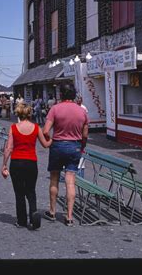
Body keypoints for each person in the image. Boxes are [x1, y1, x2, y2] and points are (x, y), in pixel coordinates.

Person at [42, 84, 89, 227]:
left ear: (61, 94)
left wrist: (50, 140)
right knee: (70, 181)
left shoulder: (55, 109)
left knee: (54, 179)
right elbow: (85, 135)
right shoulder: (82, 112)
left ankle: (52, 211)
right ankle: (69, 216)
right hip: (74, 146)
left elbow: (45, 131)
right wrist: (81, 146)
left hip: (57, 145)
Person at [1, 102, 52, 229]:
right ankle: (34, 216)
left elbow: (9, 148)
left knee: (19, 193)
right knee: (31, 191)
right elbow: (45, 145)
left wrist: (4, 165)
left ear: (18, 113)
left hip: (16, 163)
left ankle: (21, 220)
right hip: (31, 162)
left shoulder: (13, 128)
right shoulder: (36, 127)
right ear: (29, 113)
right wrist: (52, 139)